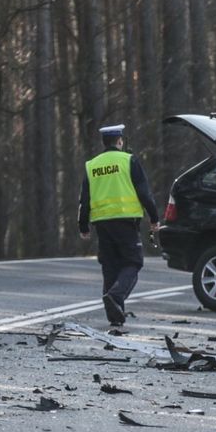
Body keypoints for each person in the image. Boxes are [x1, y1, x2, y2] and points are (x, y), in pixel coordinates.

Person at [78, 124, 160, 326]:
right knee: (133, 262)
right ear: (120, 141)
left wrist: (83, 225)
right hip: (125, 220)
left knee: (110, 265)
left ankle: (114, 315)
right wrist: (154, 217)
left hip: (102, 224)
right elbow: (144, 192)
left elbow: (84, 199)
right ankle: (116, 296)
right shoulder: (128, 160)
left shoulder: (92, 165)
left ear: (104, 142)